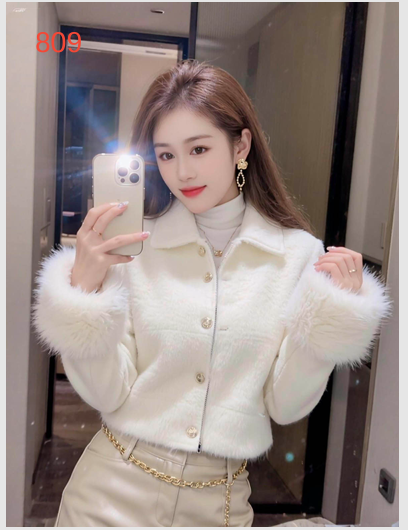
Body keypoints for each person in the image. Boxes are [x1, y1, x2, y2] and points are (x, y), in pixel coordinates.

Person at [32, 60, 393, 527]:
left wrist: (331, 319)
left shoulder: (296, 255)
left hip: (218, 502)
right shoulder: (134, 247)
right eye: (165, 155)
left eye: (199, 148)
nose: (182, 172)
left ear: (241, 145)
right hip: (108, 494)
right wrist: (83, 292)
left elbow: (286, 406)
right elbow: (107, 391)